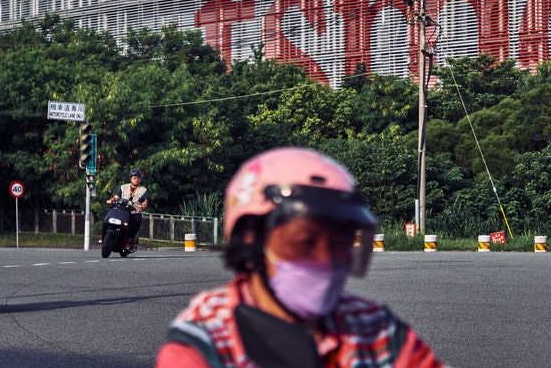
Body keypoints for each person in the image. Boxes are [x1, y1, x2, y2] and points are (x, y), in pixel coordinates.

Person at [156, 147, 442, 368]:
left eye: (341, 243)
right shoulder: (205, 341)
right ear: (250, 240)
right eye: (305, 242)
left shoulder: (373, 326)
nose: (327, 259)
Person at [109, 168, 149, 251]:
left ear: (140, 179)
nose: (136, 180)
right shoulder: (123, 187)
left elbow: (145, 203)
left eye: (138, 178)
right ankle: (109, 234)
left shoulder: (143, 190)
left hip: (134, 211)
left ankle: (128, 241)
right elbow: (116, 197)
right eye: (134, 178)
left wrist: (141, 208)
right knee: (111, 216)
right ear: (130, 178)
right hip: (121, 209)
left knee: (136, 222)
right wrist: (111, 200)